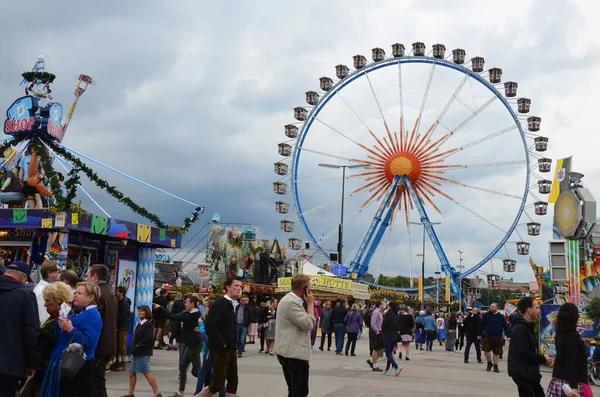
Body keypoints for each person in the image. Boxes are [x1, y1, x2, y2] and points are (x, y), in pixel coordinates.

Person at [40, 282, 103, 396]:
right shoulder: (79, 312)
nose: (75, 295)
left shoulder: (92, 314)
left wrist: (71, 329)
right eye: (76, 292)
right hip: (63, 361)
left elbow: (89, 342)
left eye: (80, 293)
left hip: (76, 365)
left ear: (90, 297)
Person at [197, 277, 243, 397]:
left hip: (231, 348)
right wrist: (222, 343)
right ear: (228, 287)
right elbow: (210, 326)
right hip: (220, 349)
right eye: (236, 286)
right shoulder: (219, 303)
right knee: (217, 384)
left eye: (240, 286)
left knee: (233, 383)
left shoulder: (234, 304)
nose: (239, 288)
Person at [272, 274, 316, 397]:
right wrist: (311, 304)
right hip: (293, 353)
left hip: (289, 351)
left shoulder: (291, 300)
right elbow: (308, 324)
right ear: (304, 288)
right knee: (300, 391)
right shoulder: (290, 303)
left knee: (294, 390)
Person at [0, 262, 40, 397]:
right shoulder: (25, 295)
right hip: (10, 364)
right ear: (23, 277)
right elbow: (31, 331)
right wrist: (32, 363)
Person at [155, 295, 202, 397]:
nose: (185, 304)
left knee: (196, 370)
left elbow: (172, 317)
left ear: (193, 304)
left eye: (187, 302)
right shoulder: (190, 313)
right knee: (182, 366)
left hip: (194, 345)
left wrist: (160, 308)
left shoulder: (191, 315)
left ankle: (213, 385)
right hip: (190, 344)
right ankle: (181, 392)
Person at [507, 297, 553, 397]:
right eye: (536, 308)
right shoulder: (520, 328)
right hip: (523, 374)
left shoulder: (526, 326)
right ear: (529, 310)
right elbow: (524, 353)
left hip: (527, 373)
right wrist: (543, 359)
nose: (539, 311)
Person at [86, 264, 118, 397]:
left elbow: (95, 321)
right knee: (98, 378)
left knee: (95, 380)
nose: (86, 278)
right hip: (108, 342)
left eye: (87, 276)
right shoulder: (110, 293)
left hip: (99, 344)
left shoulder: (97, 293)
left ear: (94, 277)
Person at [547, 303, 590, 397]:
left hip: (558, 380)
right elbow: (571, 362)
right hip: (571, 384)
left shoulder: (560, 334)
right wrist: (574, 386)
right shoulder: (572, 336)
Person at [123, 305, 163, 397]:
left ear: (146, 312)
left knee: (146, 372)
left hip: (143, 352)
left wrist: (137, 345)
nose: (140, 312)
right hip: (137, 352)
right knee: (132, 372)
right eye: (139, 311)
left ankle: (156, 392)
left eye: (142, 311)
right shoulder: (140, 323)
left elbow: (148, 338)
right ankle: (131, 393)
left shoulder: (147, 324)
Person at [193, 298, 226, 397]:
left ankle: (198, 393)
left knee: (203, 372)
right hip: (213, 349)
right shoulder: (217, 318)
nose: (205, 310)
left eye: (206, 307)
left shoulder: (210, 320)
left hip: (210, 349)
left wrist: (201, 325)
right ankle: (212, 392)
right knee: (213, 373)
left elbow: (206, 337)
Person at [479, 302, 510, 373]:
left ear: (497, 308)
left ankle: (496, 366)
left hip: (497, 337)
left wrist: (508, 335)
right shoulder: (486, 315)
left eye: (493, 307)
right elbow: (481, 325)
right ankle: (489, 362)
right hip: (487, 336)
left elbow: (505, 327)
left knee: (496, 352)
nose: (491, 308)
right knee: (486, 350)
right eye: (491, 306)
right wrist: (479, 334)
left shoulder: (501, 317)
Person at [33, 260, 60, 325]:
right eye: (58, 271)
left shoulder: (45, 288)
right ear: (50, 273)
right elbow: (42, 315)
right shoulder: (43, 290)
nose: (59, 273)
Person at [381, 302, 402, 376]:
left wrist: (383, 331)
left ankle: (397, 366)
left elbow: (384, 324)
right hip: (395, 335)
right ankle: (387, 370)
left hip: (388, 335)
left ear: (390, 306)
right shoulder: (397, 314)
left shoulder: (388, 314)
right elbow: (399, 325)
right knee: (390, 352)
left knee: (388, 353)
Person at [115, 286, 131, 372]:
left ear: (121, 293)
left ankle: (122, 362)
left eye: (117, 291)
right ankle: (118, 361)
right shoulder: (120, 302)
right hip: (120, 326)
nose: (116, 293)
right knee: (118, 344)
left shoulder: (124, 303)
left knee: (121, 344)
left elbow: (123, 316)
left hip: (122, 326)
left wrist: (117, 326)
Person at [366, 301, 385, 372]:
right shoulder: (376, 312)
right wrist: (377, 332)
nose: (384, 305)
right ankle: (374, 364)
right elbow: (373, 323)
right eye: (383, 304)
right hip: (376, 332)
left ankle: (371, 360)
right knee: (377, 348)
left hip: (379, 331)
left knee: (381, 348)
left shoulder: (380, 312)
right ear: (380, 305)